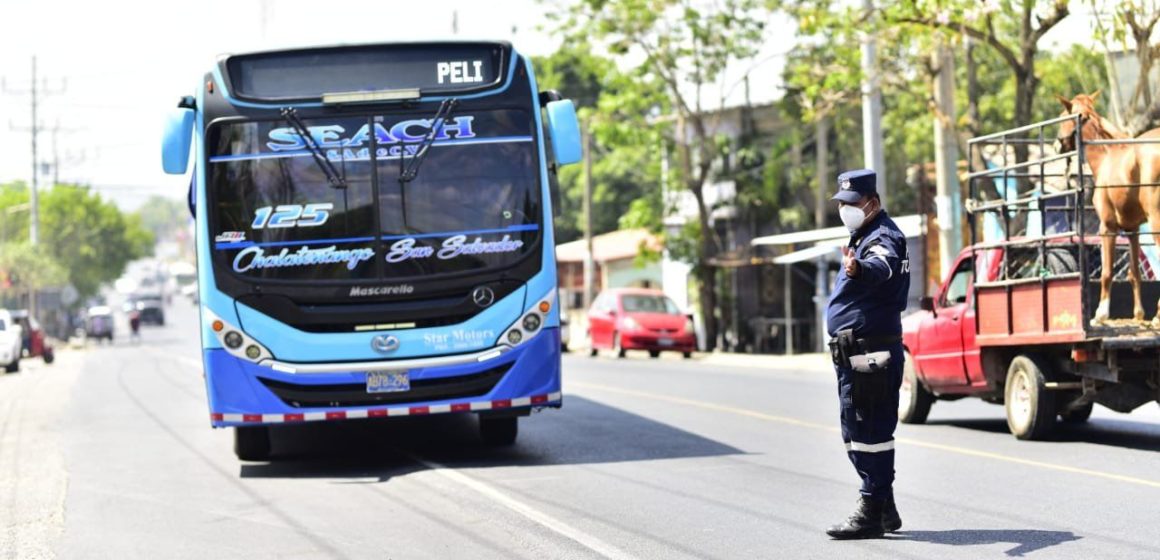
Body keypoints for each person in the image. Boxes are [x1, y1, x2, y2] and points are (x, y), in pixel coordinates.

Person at [824, 169, 910, 539]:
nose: (845, 210)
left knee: (866, 431)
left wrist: (859, 268)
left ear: (872, 203)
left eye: (852, 204)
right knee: (866, 428)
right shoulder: (864, 234)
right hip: (860, 351)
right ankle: (884, 505)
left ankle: (870, 509)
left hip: (869, 353)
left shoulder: (883, 238)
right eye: (841, 204)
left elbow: (883, 265)